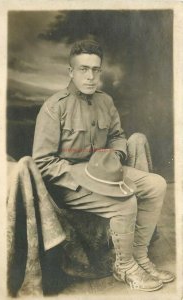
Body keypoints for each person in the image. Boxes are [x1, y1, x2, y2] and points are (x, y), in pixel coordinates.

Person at [32, 40, 174, 291]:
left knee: (156, 184)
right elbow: (42, 162)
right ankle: (125, 265)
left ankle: (140, 257)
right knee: (125, 201)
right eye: (83, 69)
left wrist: (117, 156)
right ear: (71, 72)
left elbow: (117, 136)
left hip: (104, 174)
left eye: (95, 70)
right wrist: (79, 175)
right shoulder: (55, 107)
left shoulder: (105, 101)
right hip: (70, 185)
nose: (90, 76)